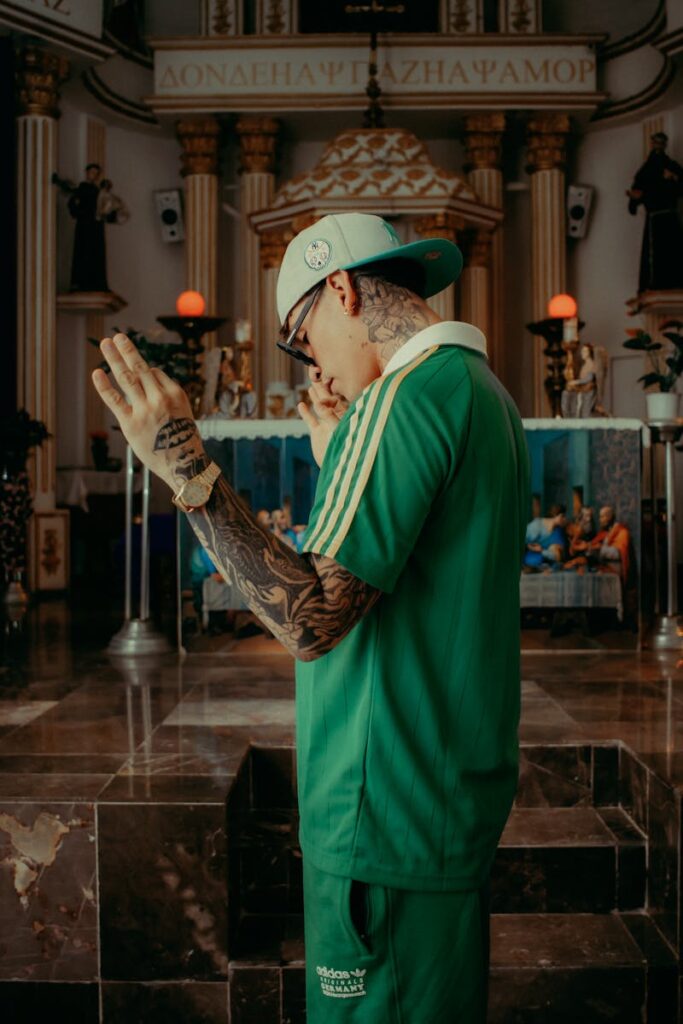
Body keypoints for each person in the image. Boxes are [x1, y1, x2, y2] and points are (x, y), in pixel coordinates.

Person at [91, 211, 530, 1024]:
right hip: (442, 790)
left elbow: (312, 619)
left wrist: (184, 463)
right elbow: (427, 566)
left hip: (380, 807)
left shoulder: (400, 400)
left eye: (302, 334)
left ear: (341, 289)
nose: (310, 360)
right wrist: (342, 463)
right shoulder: (482, 392)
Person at [626, 131, 683, 292]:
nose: (658, 146)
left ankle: (674, 282)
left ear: (664, 145)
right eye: (655, 143)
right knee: (654, 256)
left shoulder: (672, 166)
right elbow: (639, 190)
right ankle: (654, 284)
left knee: (672, 253)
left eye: (661, 143)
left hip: (669, 216)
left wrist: (674, 178)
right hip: (654, 218)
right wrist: (635, 199)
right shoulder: (646, 170)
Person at [523, 505, 567, 570]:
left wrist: (541, 550)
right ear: (555, 515)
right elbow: (523, 541)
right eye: (562, 516)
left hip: (544, 558)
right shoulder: (537, 525)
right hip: (530, 557)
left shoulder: (557, 531)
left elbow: (557, 556)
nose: (564, 519)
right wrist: (530, 547)